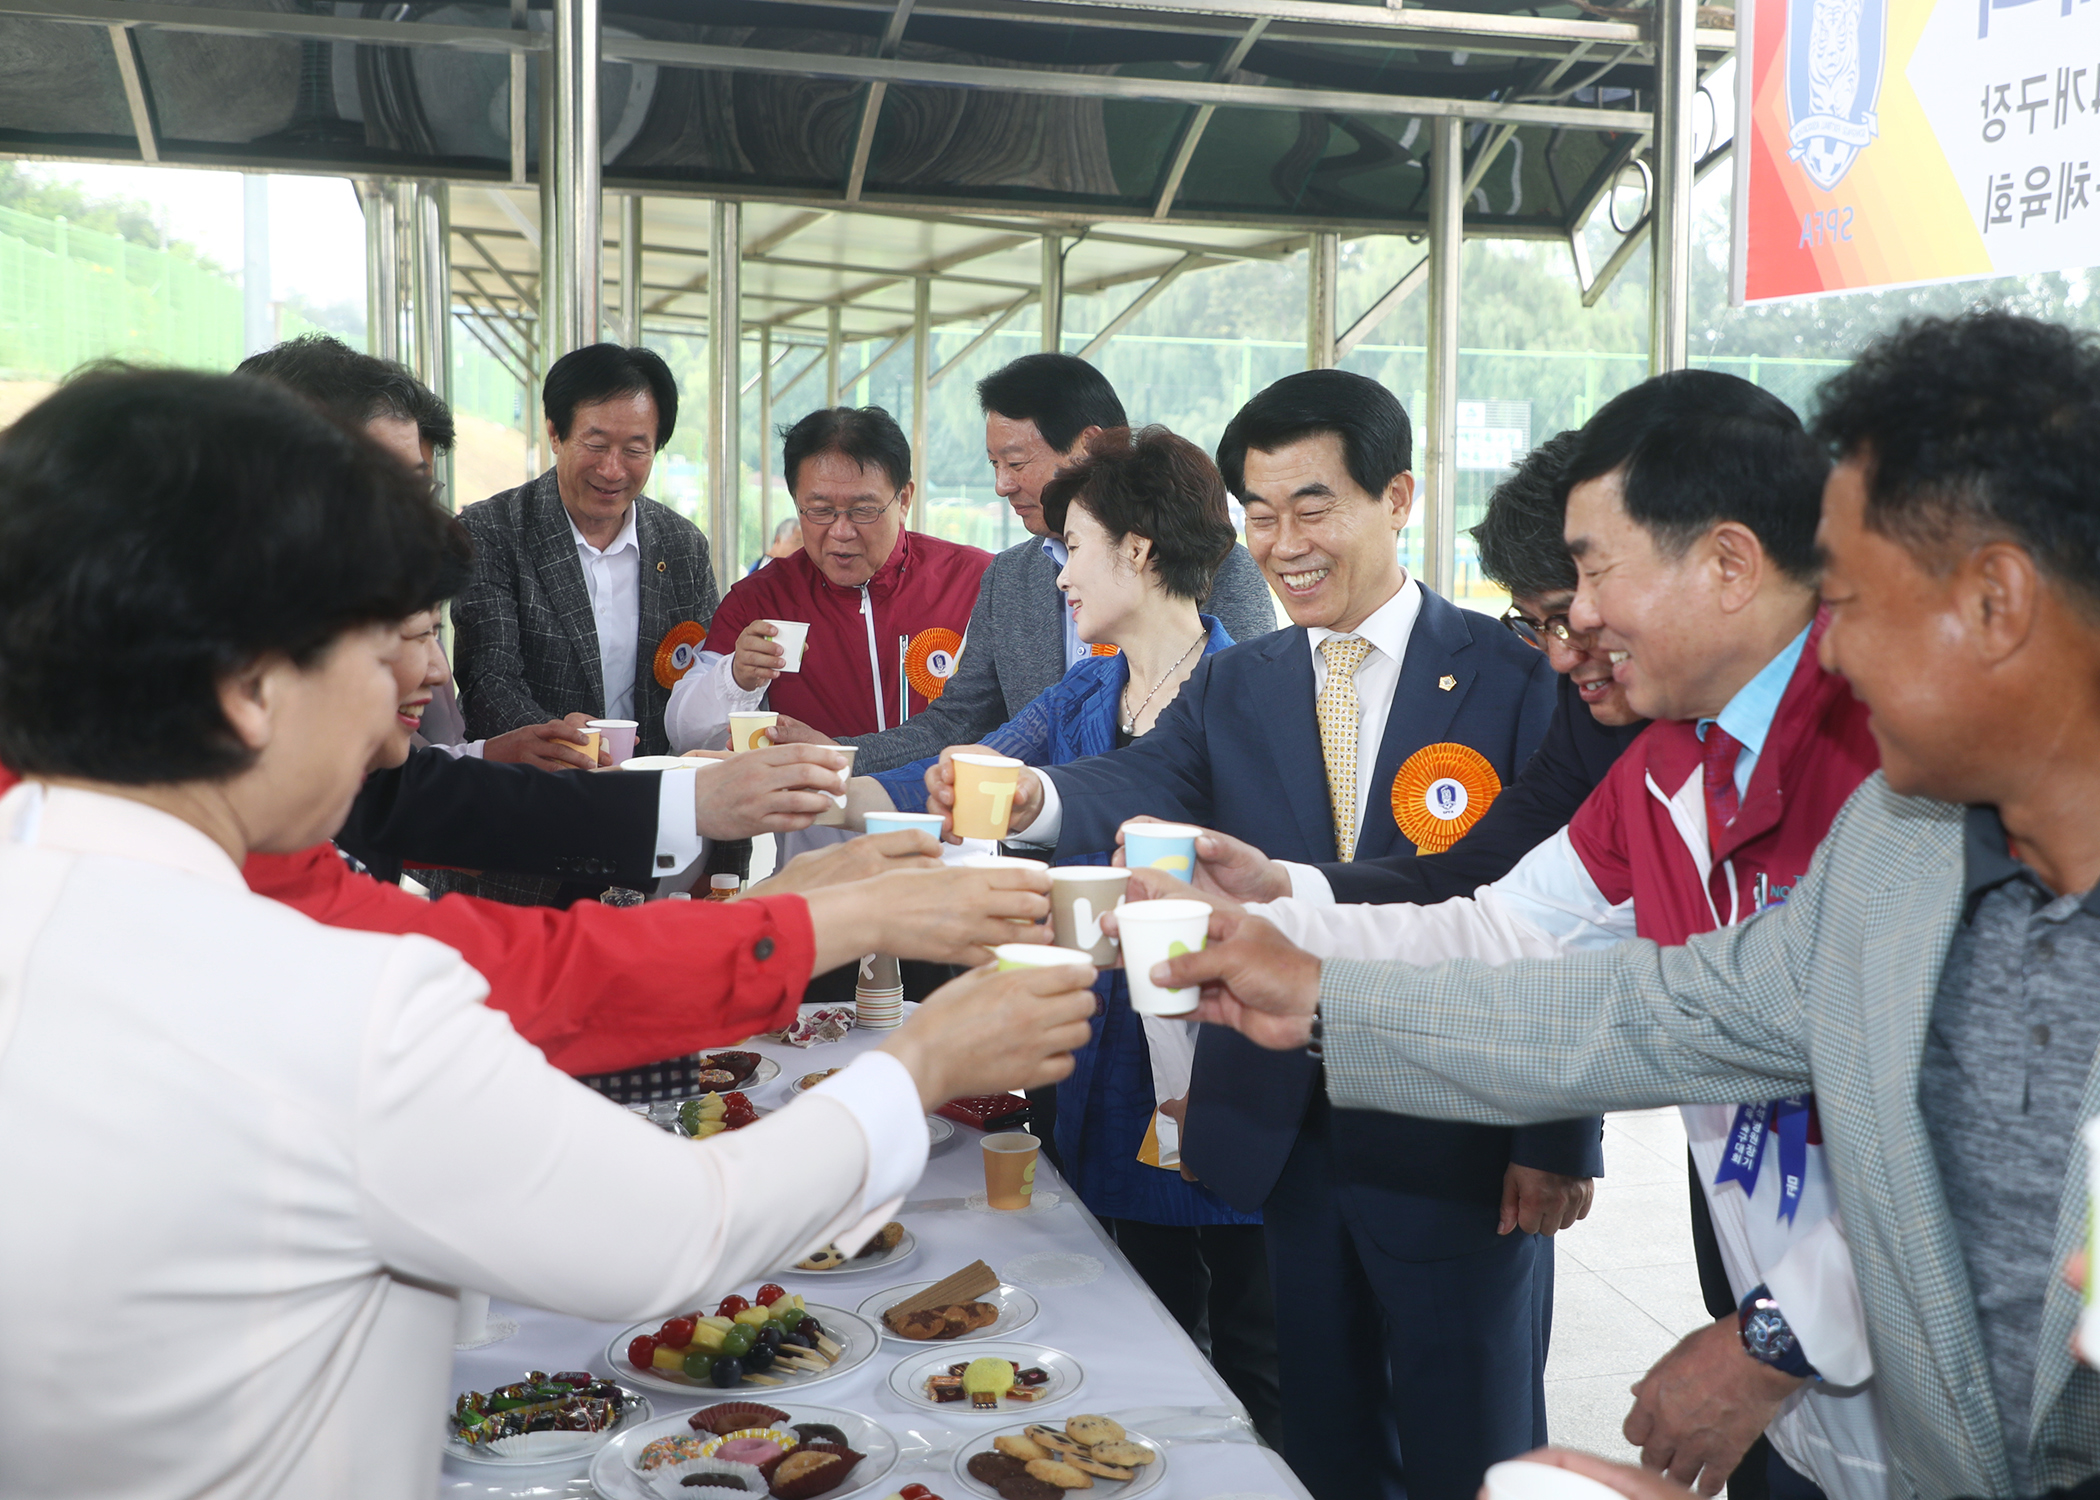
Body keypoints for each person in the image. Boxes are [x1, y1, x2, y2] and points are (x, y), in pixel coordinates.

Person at [0, 368, 1100, 1496]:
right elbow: (678, 1232)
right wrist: (923, 1063)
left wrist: (822, 910)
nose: (418, 681)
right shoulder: (335, 1006)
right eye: (382, 645)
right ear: (244, 686)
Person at [1164, 311, 2100, 1500]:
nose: (1835, 653)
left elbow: (1974, 1197)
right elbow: (1648, 1003)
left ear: (1998, 601)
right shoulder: (1871, 834)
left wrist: (1775, 1340)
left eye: (1853, 600)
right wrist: (1304, 974)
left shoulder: (1879, 790)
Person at [949, 368, 1574, 1500]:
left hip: (1454, 1141)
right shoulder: (1246, 683)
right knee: (1318, 1441)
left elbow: (1555, 914)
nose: (1283, 544)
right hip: (1284, 1134)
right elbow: (1141, 775)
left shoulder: (1512, 677)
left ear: (1398, 497)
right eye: (1259, 513)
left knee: (1468, 1447)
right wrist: (1023, 800)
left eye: (1312, 506)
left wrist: (1556, 1134)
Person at [864, 427, 1280, 1443]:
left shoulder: (1259, 691)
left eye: (1076, 549)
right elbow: (982, 776)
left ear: (1139, 551)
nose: (1060, 579)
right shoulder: (1085, 690)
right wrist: (951, 781)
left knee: (1242, 1358)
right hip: (1085, 1057)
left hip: (1205, 1065)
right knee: (1108, 1326)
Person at [1183, 428, 1649, 908]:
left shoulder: (1523, 677)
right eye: (1535, 625)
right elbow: (1476, 873)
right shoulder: (1582, 715)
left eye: (1569, 618)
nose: (1560, 655)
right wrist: (1283, 887)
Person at [775, 352, 1276, 772]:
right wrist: (838, 757)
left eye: (1015, 463)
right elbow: (958, 725)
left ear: (1089, 445)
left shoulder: (1216, 565)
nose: (1002, 485)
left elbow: (1248, 724)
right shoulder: (1010, 579)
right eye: (994, 465)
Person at [665, 405, 991, 748]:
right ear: (796, 503)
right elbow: (684, 734)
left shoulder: (976, 581)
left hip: (938, 798)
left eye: (863, 510)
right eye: (820, 511)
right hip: (809, 800)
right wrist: (735, 677)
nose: (841, 531)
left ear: (904, 499)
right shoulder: (758, 601)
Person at [452, 343, 715, 760]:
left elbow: (702, 677)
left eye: (634, 449)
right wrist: (559, 742)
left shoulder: (683, 546)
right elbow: (489, 680)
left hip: (652, 794)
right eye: (596, 444)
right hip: (534, 792)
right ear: (556, 434)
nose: (613, 470)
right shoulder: (492, 531)